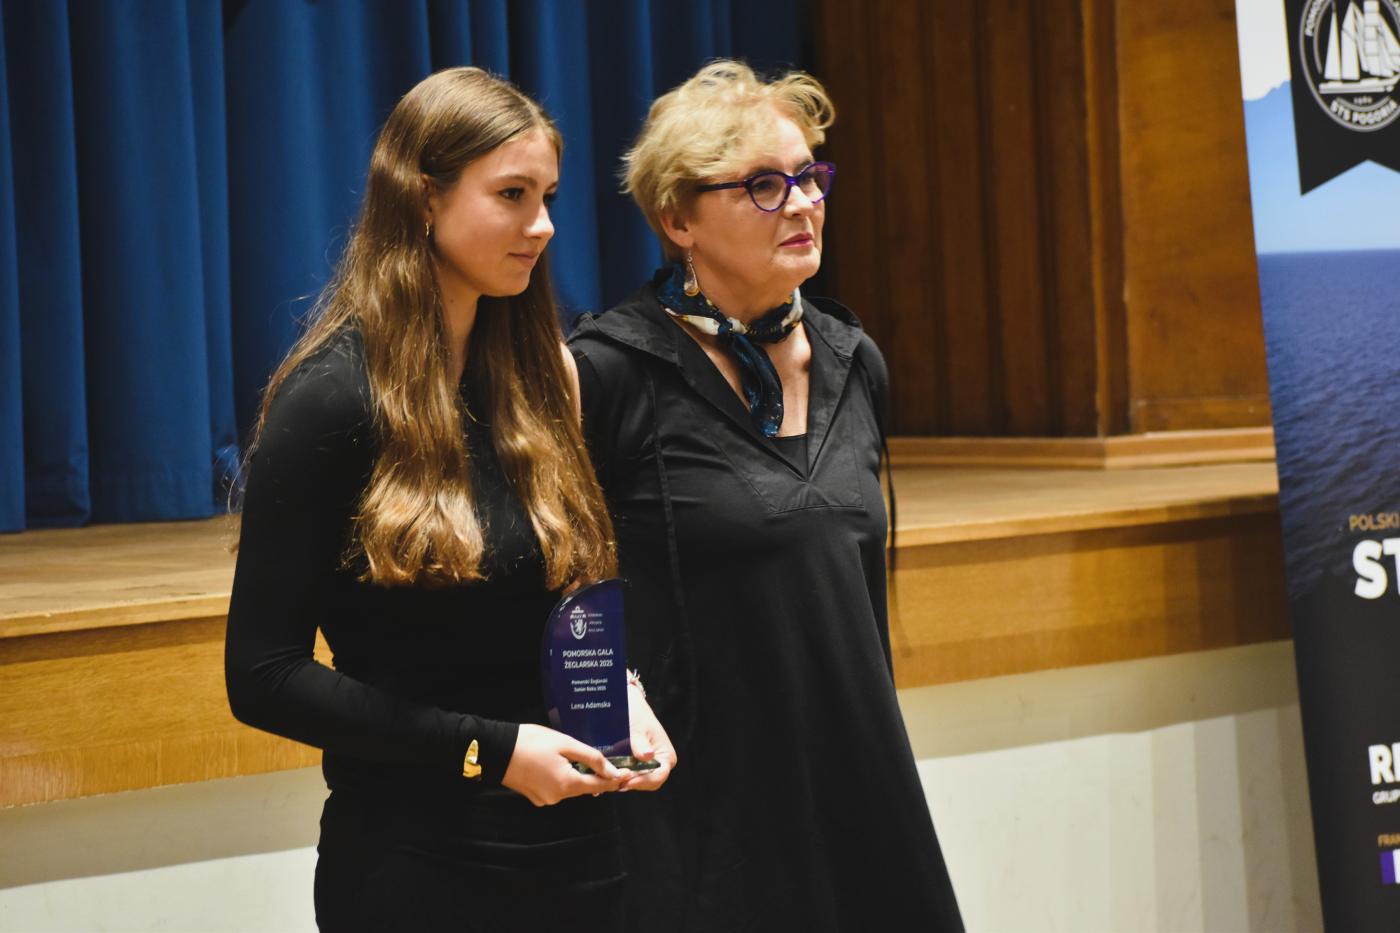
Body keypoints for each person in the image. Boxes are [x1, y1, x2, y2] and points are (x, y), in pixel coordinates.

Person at [224, 66, 674, 933]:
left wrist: (623, 697)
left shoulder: (546, 380)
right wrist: (491, 750)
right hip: (419, 863)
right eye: (511, 195)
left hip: (581, 856)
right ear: (424, 198)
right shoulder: (333, 399)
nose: (542, 225)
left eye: (547, 196)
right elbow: (264, 676)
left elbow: (560, 605)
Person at [568, 61, 963, 931]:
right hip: (698, 820)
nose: (803, 203)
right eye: (763, 185)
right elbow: (558, 588)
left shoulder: (855, 360)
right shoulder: (609, 374)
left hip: (857, 790)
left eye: (809, 176)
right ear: (678, 218)